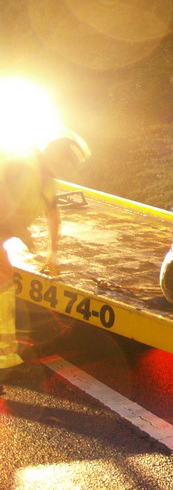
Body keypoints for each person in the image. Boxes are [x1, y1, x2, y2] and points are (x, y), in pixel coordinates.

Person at [0, 135, 89, 373]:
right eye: (65, 161)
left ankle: (5, 354)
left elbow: (53, 216)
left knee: (5, 284)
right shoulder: (22, 168)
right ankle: (4, 357)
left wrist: (53, 254)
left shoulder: (47, 182)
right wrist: (20, 230)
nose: (66, 168)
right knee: (3, 286)